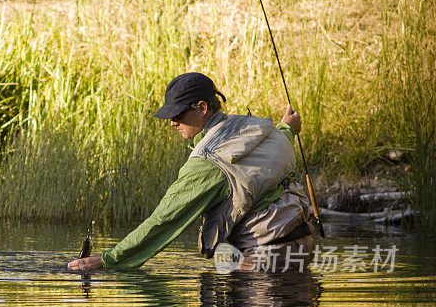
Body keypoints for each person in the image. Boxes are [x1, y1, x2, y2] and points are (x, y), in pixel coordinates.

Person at [67, 72, 317, 273]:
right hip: (303, 248)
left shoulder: (208, 161)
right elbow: (267, 155)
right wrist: (288, 127)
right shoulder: (254, 129)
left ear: (202, 107)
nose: (172, 122)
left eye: (177, 114)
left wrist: (110, 260)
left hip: (263, 260)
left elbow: (164, 221)